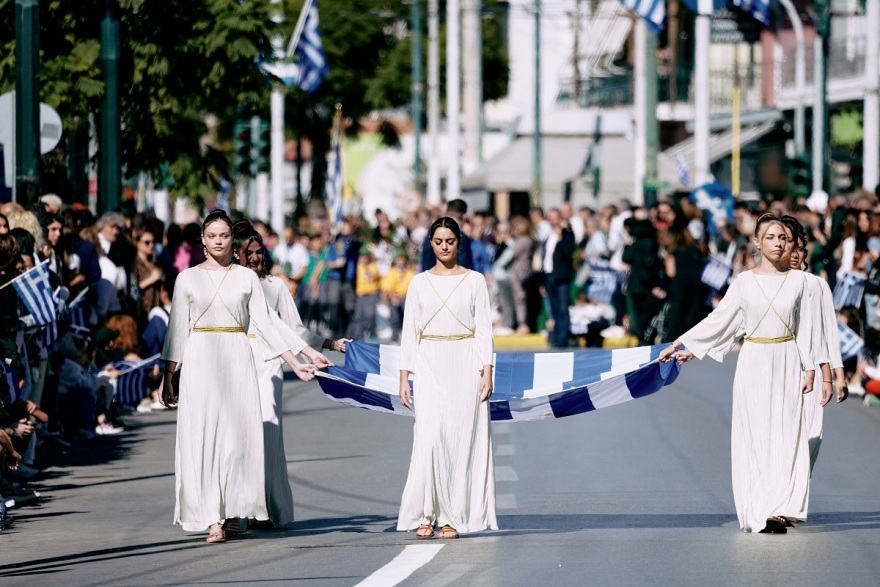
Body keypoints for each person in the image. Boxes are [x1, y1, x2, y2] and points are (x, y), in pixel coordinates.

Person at [160, 209, 318, 544]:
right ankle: (213, 518)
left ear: (234, 241)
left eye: (224, 235)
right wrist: (168, 375)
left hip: (237, 354)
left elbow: (265, 324)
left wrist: (295, 361)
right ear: (202, 240)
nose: (218, 241)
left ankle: (234, 510)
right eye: (212, 235)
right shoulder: (187, 279)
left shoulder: (245, 278)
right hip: (200, 357)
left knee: (235, 439)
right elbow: (176, 331)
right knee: (204, 438)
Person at [660, 213, 820, 534]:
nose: (779, 244)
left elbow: (809, 329)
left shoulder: (802, 282)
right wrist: (684, 344)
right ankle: (759, 509)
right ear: (757, 243)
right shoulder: (744, 282)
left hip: (788, 359)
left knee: (787, 435)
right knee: (756, 434)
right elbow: (721, 320)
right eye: (772, 237)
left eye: (784, 239)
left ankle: (779, 509)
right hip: (754, 360)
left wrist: (811, 366)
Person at [233, 220, 340, 528]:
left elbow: (292, 329)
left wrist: (328, 344)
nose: (255, 258)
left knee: (267, 432)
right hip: (237, 358)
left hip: (269, 360)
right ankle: (239, 509)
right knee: (239, 434)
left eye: (258, 252)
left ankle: (266, 506)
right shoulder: (229, 283)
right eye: (248, 252)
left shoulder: (275, 285)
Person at [398, 216, 496, 539]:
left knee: (457, 440)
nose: (444, 247)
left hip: (464, 363)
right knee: (429, 437)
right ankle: (426, 512)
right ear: (430, 244)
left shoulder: (475, 281)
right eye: (438, 242)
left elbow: (484, 329)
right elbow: (409, 332)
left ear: (458, 243)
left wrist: (487, 371)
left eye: (450, 242)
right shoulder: (418, 283)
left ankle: (451, 516)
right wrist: (404, 377)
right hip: (429, 363)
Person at [782, 216, 848, 472]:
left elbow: (829, 333)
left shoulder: (817, 285)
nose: (795, 254)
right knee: (785, 433)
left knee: (812, 433)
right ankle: (784, 495)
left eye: (800, 248)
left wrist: (837, 376)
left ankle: (797, 486)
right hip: (782, 365)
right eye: (791, 248)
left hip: (815, 369)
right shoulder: (771, 285)